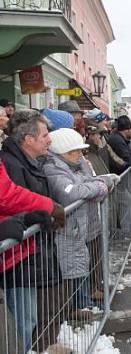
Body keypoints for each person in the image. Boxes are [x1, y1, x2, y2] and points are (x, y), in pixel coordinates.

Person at [0, 110, 65, 352]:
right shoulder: (12, 163)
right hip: (17, 257)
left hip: (23, 254)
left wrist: (36, 212)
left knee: (26, 321)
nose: (50, 139)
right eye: (45, 134)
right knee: (21, 325)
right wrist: (47, 207)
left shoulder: (22, 161)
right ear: (28, 139)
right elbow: (8, 196)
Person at [43, 128, 116, 322]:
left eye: (79, 151)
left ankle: (82, 303)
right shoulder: (53, 168)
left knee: (81, 264)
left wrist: (97, 185)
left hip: (77, 229)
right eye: (73, 152)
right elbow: (71, 193)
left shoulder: (71, 165)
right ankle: (75, 307)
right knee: (72, 269)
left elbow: (86, 182)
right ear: (60, 152)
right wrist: (99, 187)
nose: (79, 155)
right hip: (67, 231)